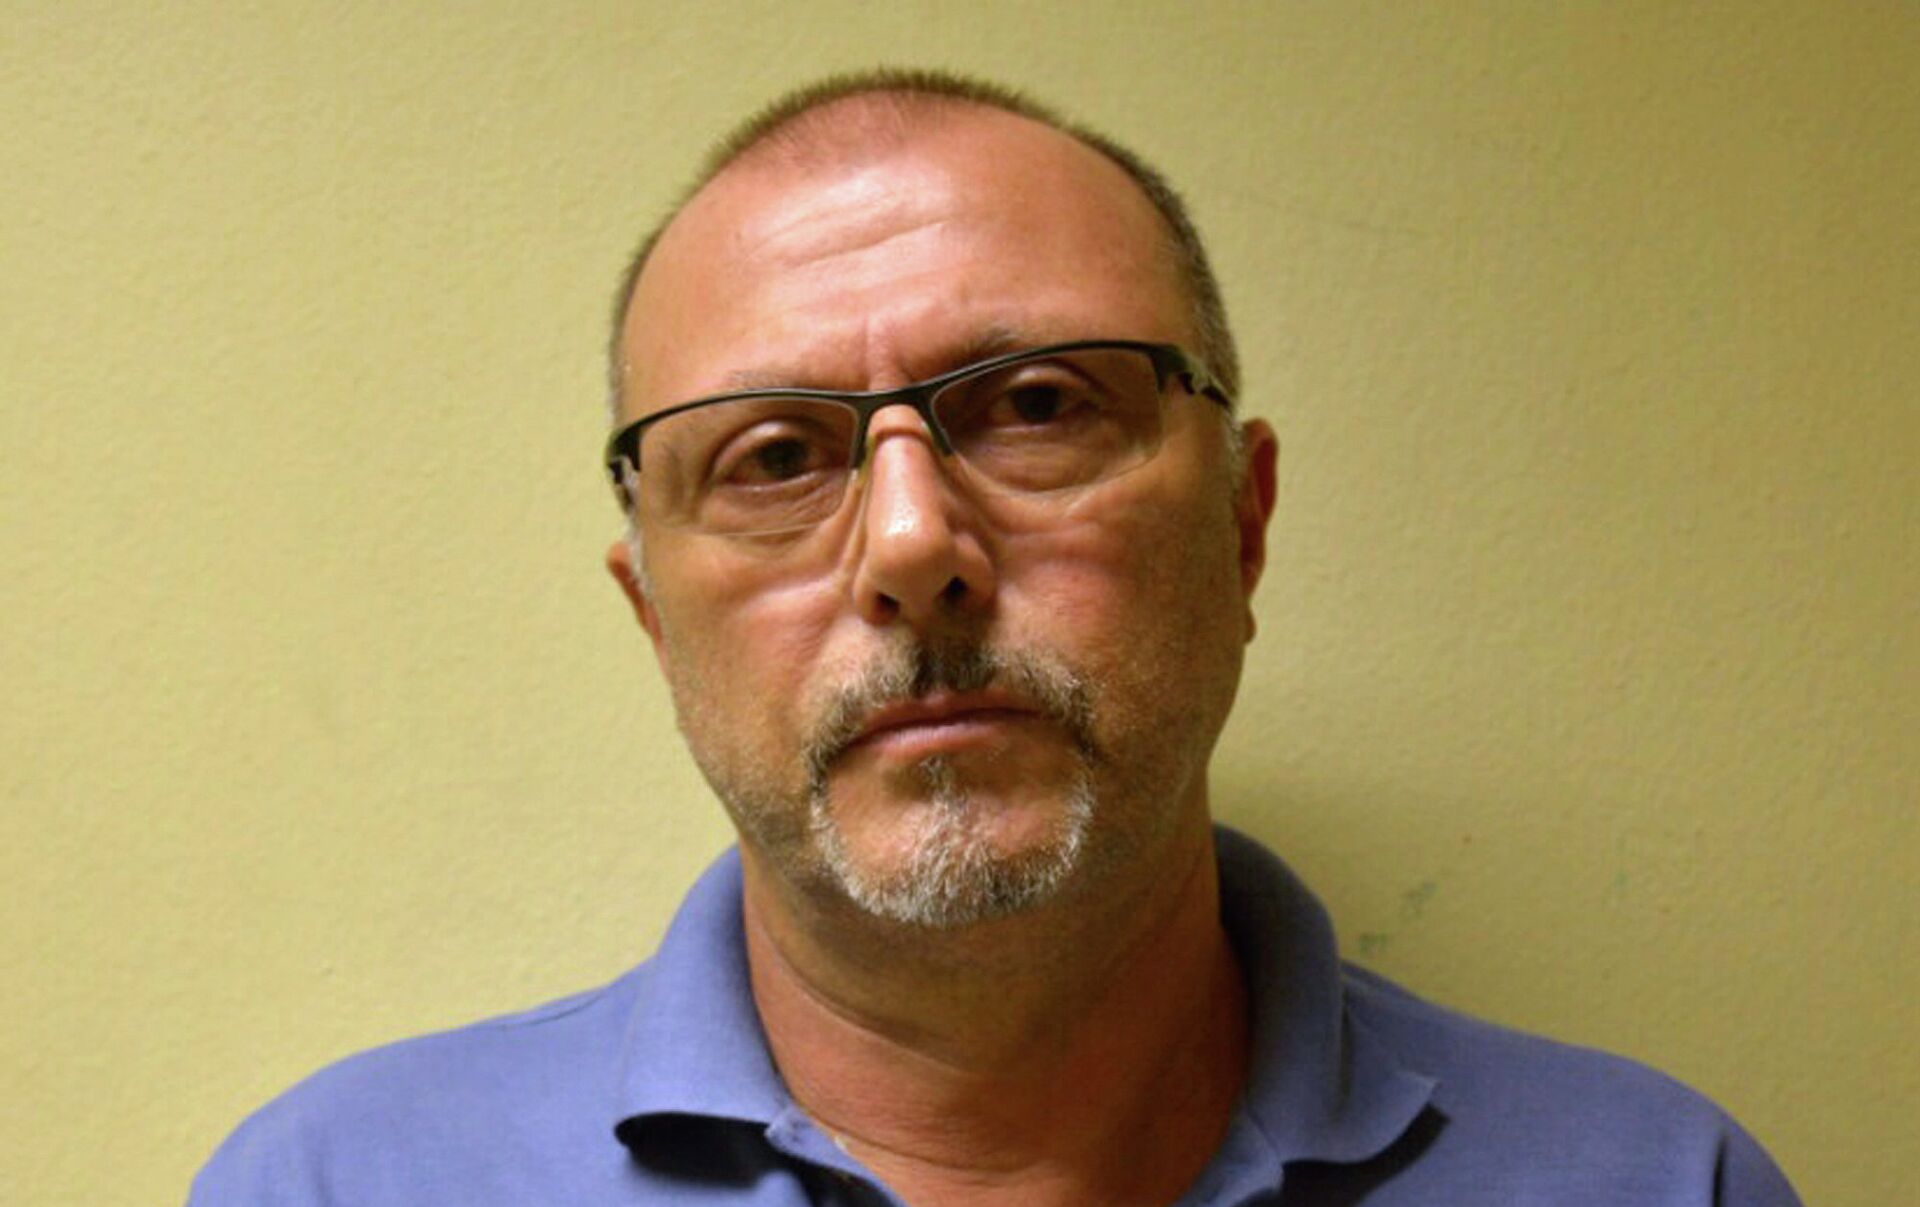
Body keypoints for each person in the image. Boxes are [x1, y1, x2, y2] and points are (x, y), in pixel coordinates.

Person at [188, 69, 1800, 1206]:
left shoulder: (1664, 1187)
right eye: (773, 456)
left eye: (1036, 408)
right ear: (655, 622)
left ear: (1241, 526)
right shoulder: (331, 1190)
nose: (913, 548)